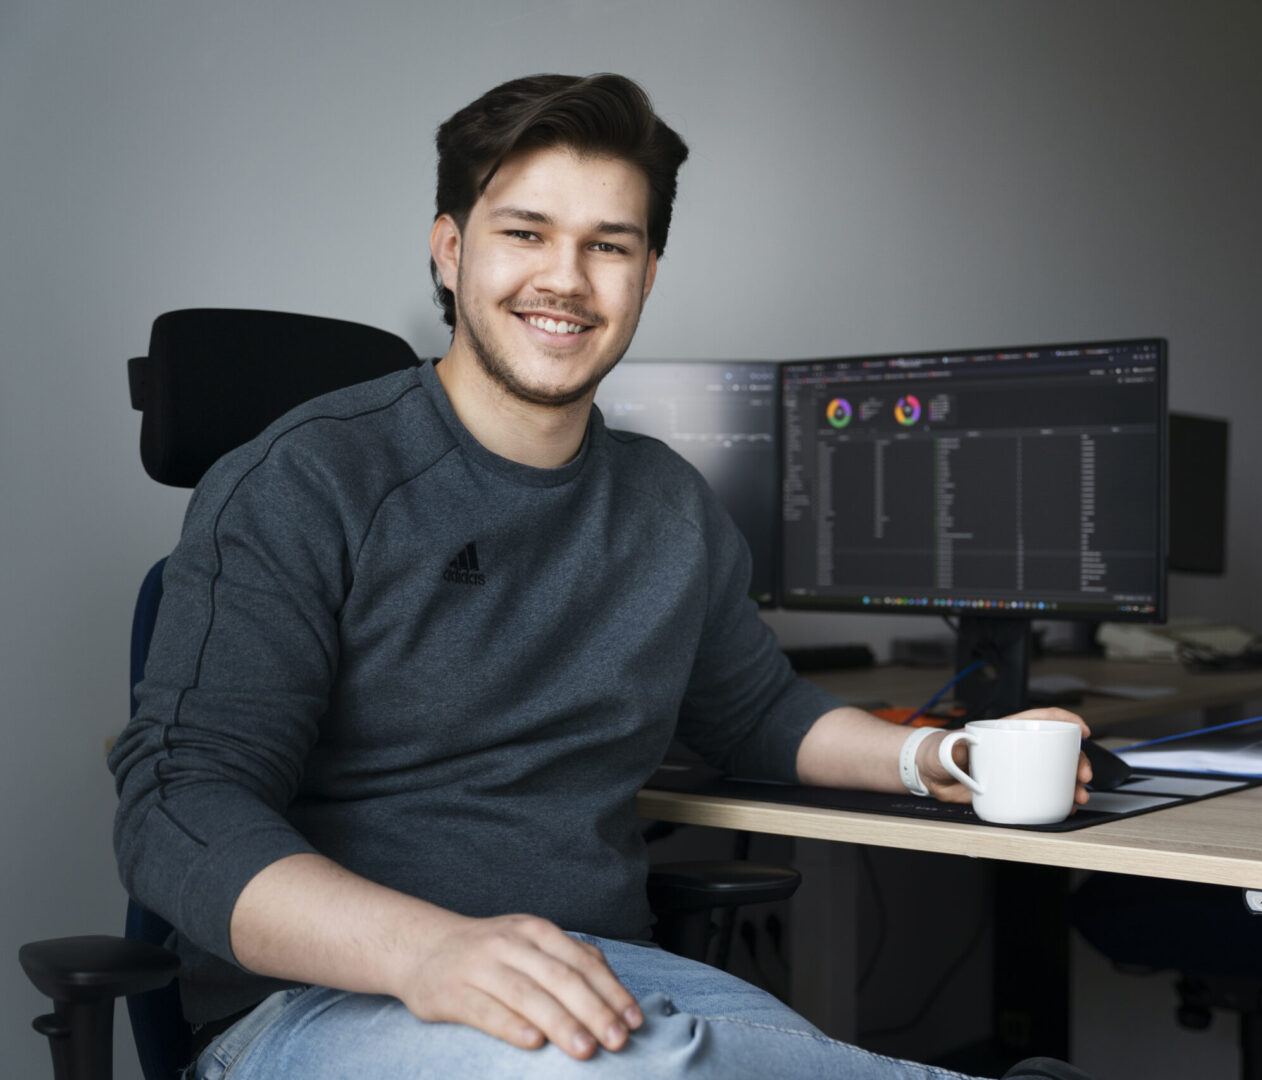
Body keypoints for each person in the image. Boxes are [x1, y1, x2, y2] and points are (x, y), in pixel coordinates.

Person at [110, 72, 1094, 1080]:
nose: (566, 279)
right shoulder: (306, 480)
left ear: (647, 274)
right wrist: (430, 953)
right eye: (525, 233)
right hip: (330, 996)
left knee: (731, 1059)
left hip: (609, 976)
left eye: (608, 246)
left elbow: (757, 714)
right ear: (450, 249)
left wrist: (942, 756)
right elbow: (177, 808)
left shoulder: (668, 505)